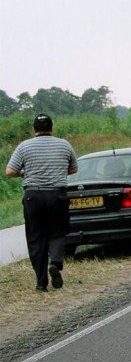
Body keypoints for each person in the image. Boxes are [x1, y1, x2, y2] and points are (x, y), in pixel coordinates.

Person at [5, 114, 78, 292]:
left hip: (33, 196)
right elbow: (74, 168)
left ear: (34, 129)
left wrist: (25, 173)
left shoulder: (24, 146)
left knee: (36, 238)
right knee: (58, 232)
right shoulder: (64, 144)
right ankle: (55, 262)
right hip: (57, 195)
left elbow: (10, 171)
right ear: (52, 128)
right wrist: (57, 170)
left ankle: (41, 283)